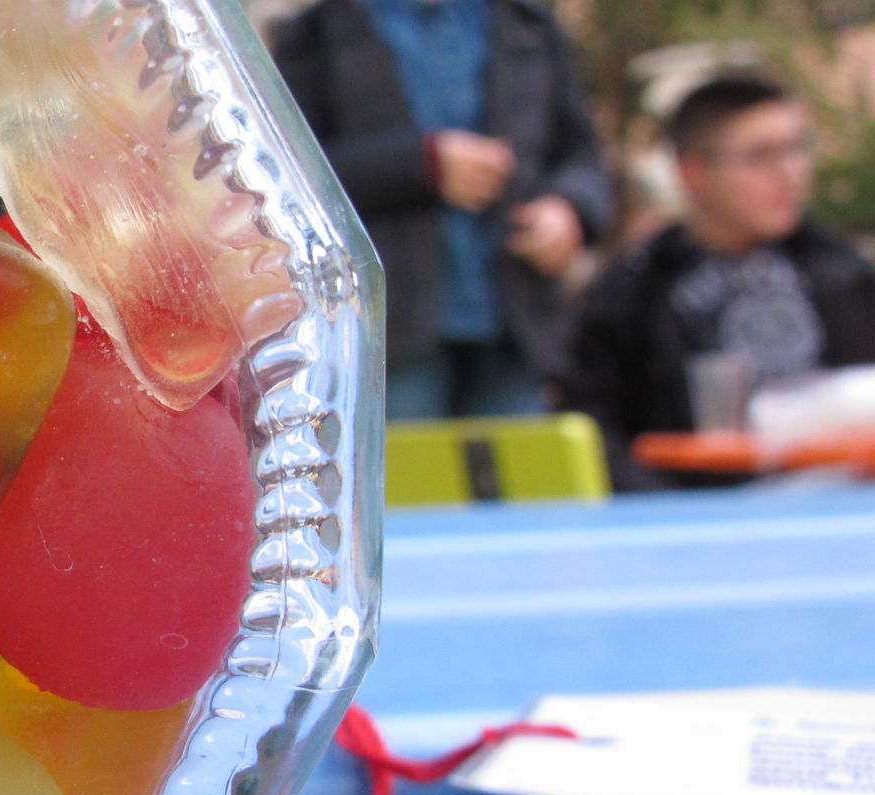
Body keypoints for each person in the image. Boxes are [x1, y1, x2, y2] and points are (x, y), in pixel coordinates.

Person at [272, 0, 613, 419]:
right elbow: (288, 169)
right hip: (383, 332)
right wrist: (420, 164)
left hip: (516, 328)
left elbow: (582, 157)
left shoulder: (531, 27)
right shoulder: (317, 32)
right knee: (401, 462)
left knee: (522, 462)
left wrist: (569, 208)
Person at [560, 75, 875, 490]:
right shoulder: (633, 295)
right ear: (693, 172)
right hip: (703, 509)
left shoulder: (845, 274)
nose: (790, 172)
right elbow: (599, 435)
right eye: (761, 156)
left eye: (797, 149)